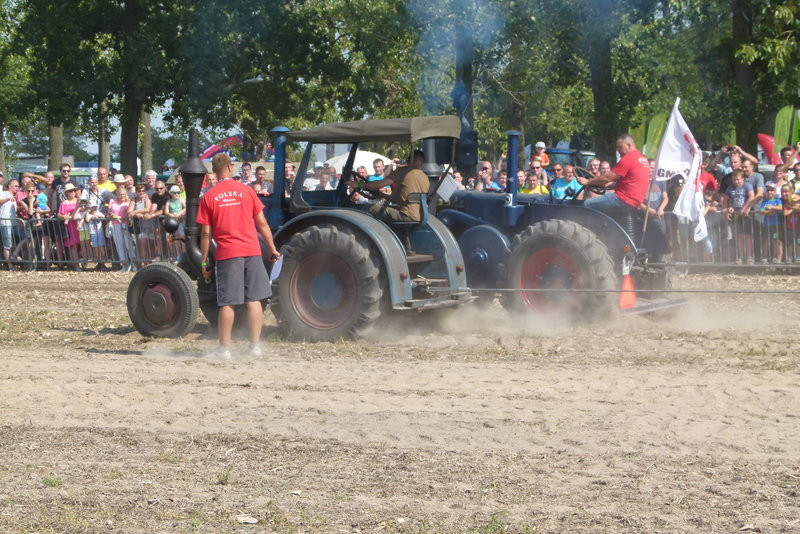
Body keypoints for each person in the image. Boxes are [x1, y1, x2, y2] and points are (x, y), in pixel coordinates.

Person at [197, 153, 280, 359]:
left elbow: (206, 233)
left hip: (228, 253)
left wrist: (204, 260)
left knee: (228, 302)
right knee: (254, 299)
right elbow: (261, 224)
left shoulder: (208, 196)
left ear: (214, 172)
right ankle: (255, 347)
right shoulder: (247, 191)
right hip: (252, 250)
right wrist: (271, 248)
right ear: (230, 168)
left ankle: (224, 350)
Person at [579, 134, 650, 215]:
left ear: (629, 145)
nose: (618, 150)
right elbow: (630, 181)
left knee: (586, 204)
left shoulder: (629, 158)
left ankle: (594, 227)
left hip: (623, 199)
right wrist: (608, 185)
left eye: (620, 147)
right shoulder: (642, 158)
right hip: (636, 200)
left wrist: (587, 182)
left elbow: (607, 178)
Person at [353, 149, 429, 222]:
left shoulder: (404, 171)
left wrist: (357, 184)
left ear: (411, 160)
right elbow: (401, 199)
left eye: (408, 160)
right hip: (421, 217)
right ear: (422, 163)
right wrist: (383, 195)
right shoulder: (425, 178)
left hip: (406, 215)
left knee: (367, 207)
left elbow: (378, 184)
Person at [723, 169, 755, 263]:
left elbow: (752, 197)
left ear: (743, 179)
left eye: (738, 179)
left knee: (748, 236)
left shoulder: (747, 186)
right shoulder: (730, 188)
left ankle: (749, 256)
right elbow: (725, 199)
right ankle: (740, 256)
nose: (736, 182)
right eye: (734, 180)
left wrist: (744, 208)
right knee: (739, 237)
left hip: (747, 214)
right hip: (736, 215)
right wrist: (726, 209)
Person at [108, 187, 137, 272]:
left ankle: (134, 264)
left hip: (126, 224)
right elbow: (108, 212)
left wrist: (119, 217)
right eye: (120, 194)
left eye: (123, 194)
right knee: (119, 246)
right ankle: (124, 265)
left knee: (129, 245)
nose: (122, 196)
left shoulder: (129, 202)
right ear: (117, 194)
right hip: (115, 225)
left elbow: (129, 214)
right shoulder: (112, 201)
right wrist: (111, 215)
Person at [57, 183, 81, 268]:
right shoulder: (64, 203)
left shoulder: (79, 201)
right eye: (70, 191)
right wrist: (64, 216)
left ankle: (74, 263)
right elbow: (59, 214)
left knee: (78, 245)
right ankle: (76, 265)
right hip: (70, 226)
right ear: (66, 192)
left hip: (78, 225)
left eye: (74, 190)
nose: (73, 192)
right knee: (72, 245)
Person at [758, 185, 783, 262]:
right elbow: (761, 211)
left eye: (772, 190)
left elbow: (781, 208)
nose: (769, 192)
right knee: (765, 240)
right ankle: (765, 257)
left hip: (776, 224)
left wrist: (771, 207)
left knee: (776, 240)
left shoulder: (778, 200)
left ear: (775, 192)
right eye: (768, 190)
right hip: (766, 225)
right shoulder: (764, 201)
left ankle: (775, 257)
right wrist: (773, 212)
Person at [0, 179, 20, 267]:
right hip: (5, 223)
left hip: (14, 223)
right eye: (15, 186)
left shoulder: (14, 197)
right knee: (7, 244)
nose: (17, 188)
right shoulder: (4, 193)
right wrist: (7, 199)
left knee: (21, 238)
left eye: (18, 186)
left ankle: (14, 256)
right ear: (9, 186)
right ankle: (9, 265)